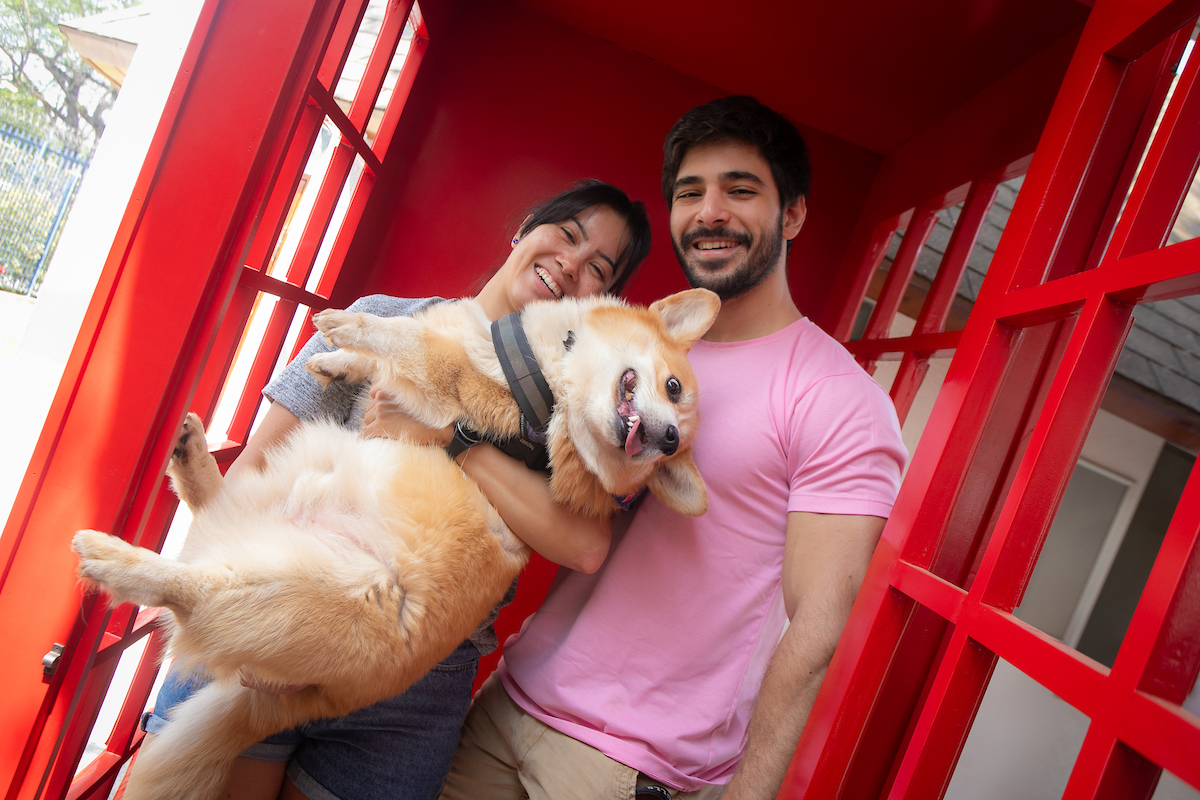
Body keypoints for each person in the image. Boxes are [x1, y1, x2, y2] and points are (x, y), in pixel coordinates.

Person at [439, 96, 908, 799]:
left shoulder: (837, 397)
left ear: (793, 215)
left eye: (740, 190)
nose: (710, 211)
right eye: (691, 193)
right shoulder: (641, 336)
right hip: (510, 701)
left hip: (630, 770)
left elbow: (818, 629)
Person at [139, 179, 652, 800]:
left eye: (598, 267)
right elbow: (254, 467)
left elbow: (586, 545)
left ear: (600, 301)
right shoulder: (380, 321)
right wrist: (242, 623)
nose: (571, 264)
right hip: (278, 596)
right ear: (523, 231)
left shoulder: (564, 419)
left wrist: (454, 436)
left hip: (415, 671)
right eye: (566, 235)